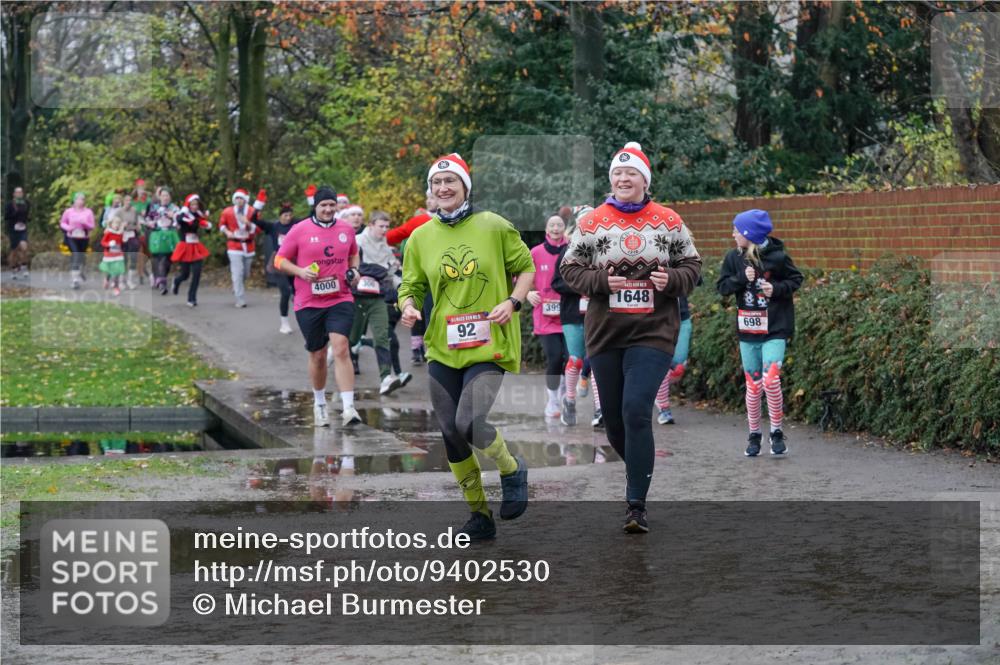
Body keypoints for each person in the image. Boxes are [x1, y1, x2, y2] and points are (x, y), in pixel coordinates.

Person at [560, 142, 702, 534]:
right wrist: (601, 281)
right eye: (618, 174)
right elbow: (569, 271)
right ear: (611, 180)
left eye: (632, 174)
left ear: (645, 180)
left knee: (637, 410)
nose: (624, 179)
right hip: (606, 333)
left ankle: (635, 505)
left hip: (654, 332)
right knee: (617, 424)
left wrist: (672, 279)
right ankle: (640, 467)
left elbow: (693, 266)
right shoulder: (592, 224)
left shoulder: (669, 221)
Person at [398, 152, 534, 541]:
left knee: (468, 422)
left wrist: (513, 302)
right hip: (443, 346)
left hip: (490, 342)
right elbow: (411, 286)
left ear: (465, 187)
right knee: (450, 432)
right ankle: (479, 515)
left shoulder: (492, 225)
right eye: (437, 184)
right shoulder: (420, 237)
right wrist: (407, 306)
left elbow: (525, 267)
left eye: (451, 182)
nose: (443, 188)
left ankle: (510, 468)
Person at [716, 209, 803, 457]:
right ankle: (754, 435)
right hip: (748, 332)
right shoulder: (733, 259)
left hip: (775, 328)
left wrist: (775, 289)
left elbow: (796, 279)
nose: (733, 234)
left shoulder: (778, 257)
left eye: (736, 230)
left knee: (771, 380)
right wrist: (741, 278)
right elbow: (722, 287)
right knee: (753, 386)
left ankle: (776, 431)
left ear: (749, 234)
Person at [274, 187, 362, 428]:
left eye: (332, 205)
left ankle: (348, 407)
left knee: (342, 348)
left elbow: (354, 254)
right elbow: (279, 260)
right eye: (323, 205)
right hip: (309, 301)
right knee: (318, 354)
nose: (328, 209)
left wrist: (354, 271)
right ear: (315, 206)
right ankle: (320, 403)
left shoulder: (345, 229)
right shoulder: (299, 229)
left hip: (340, 297)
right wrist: (300, 272)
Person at [348, 210, 410, 396]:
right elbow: (356, 268)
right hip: (357, 296)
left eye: (386, 226)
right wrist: (378, 271)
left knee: (383, 336)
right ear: (371, 225)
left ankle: (385, 378)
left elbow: (392, 275)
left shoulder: (386, 248)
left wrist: (405, 290)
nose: (384, 230)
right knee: (351, 338)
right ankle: (340, 351)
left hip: (377, 298)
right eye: (380, 226)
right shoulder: (358, 242)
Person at [551, 206, 599, 427]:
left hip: (598, 313)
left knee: (599, 361)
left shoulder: (605, 248)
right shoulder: (567, 250)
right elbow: (557, 283)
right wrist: (582, 287)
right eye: (585, 222)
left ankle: (600, 409)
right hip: (572, 314)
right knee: (576, 359)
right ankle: (569, 400)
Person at [387, 192, 437, 366]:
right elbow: (393, 236)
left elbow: (390, 237)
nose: (430, 201)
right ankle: (419, 349)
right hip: (422, 274)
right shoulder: (419, 221)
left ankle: (433, 348)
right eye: (428, 198)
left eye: (432, 198)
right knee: (419, 309)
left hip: (445, 275)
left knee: (431, 311)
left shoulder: (458, 221)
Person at [527, 213, 569, 418]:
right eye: (552, 225)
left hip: (570, 313)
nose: (555, 228)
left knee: (571, 359)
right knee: (554, 358)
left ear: (564, 228)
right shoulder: (535, 252)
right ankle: (553, 401)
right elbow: (522, 276)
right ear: (546, 229)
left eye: (559, 225)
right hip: (545, 316)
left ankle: (564, 396)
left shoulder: (574, 249)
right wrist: (527, 292)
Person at [219, 188, 267, 308]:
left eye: (241, 198)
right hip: (234, 245)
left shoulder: (252, 212)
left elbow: (259, 229)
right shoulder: (228, 212)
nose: (239, 200)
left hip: (249, 245)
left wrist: (248, 223)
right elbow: (222, 224)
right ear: (234, 199)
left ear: (245, 200)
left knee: (245, 273)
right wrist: (227, 232)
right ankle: (240, 299)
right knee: (237, 272)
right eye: (237, 198)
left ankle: (237, 285)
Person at [258, 202, 299, 333]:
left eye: (290, 215)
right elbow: (255, 220)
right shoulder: (274, 226)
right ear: (280, 216)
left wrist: (311, 199)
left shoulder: (296, 225)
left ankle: (305, 319)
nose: (288, 218)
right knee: (285, 292)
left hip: (294, 262)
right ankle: (284, 323)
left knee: (298, 292)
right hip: (279, 261)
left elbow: (311, 217)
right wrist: (259, 203)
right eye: (285, 215)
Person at [654, 295, 693, 425]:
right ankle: (664, 409)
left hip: (682, 317)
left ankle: (652, 387)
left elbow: (695, 279)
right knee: (663, 364)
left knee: (678, 368)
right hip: (657, 318)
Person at [171, 194, 213, 307]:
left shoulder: (199, 216)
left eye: (196, 204)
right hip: (185, 247)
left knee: (197, 273)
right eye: (192, 204)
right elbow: (179, 220)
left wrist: (207, 226)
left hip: (195, 246)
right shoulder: (183, 214)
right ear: (188, 205)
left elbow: (207, 229)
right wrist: (188, 219)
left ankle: (192, 297)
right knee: (185, 275)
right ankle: (176, 281)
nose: (194, 206)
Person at [145, 187, 179, 295]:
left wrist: (174, 217)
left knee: (168, 259)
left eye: (167, 195)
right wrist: (150, 223)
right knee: (160, 257)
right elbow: (148, 219)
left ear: (170, 197)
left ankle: (161, 278)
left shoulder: (174, 208)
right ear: (159, 197)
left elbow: (181, 219)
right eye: (163, 195)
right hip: (158, 235)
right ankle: (162, 282)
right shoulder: (155, 208)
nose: (165, 198)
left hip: (170, 235)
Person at [59, 192, 95, 289]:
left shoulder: (88, 212)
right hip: (71, 237)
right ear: (74, 200)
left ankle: (80, 270)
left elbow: (92, 226)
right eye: (78, 199)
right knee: (76, 254)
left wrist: (85, 224)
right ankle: (74, 280)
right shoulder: (68, 212)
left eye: (82, 199)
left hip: (83, 237)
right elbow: (62, 223)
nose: (80, 201)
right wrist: (69, 228)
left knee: (81, 257)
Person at [98, 212, 126, 295]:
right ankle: (107, 279)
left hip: (118, 254)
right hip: (109, 254)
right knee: (110, 271)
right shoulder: (108, 233)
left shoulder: (120, 234)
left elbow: (121, 242)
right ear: (111, 224)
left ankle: (116, 287)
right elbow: (103, 242)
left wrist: (123, 241)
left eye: (118, 224)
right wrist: (109, 244)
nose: (116, 226)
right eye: (115, 224)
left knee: (117, 271)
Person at [5, 186, 30, 280]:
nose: (19, 194)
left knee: (24, 247)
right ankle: (13, 268)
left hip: (23, 229)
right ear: (14, 194)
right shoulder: (10, 204)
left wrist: (27, 219)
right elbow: (6, 217)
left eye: (21, 192)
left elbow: (27, 214)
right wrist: (14, 213)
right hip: (13, 230)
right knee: (14, 251)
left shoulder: (26, 203)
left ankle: (24, 266)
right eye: (17, 192)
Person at [118, 194, 141, 290]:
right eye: (127, 200)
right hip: (122, 235)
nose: (129, 202)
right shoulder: (119, 212)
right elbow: (113, 223)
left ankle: (130, 280)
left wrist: (138, 227)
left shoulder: (134, 211)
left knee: (133, 257)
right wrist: (121, 225)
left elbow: (137, 222)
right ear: (123, 202)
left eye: (130, 200)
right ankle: (121, 281)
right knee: (123, 258)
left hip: (132, 234)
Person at [130, 178, 151, 284]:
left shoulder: (148, 201)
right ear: (136, 189)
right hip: (136, 228)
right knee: (139, 251)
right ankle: (140, 274)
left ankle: (144, 268)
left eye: (143, 188)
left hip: (146, 226)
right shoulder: (132, 201)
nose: (141, 190)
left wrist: (146, 213)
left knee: (147, 251)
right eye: (139, 188)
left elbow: (153, 212)